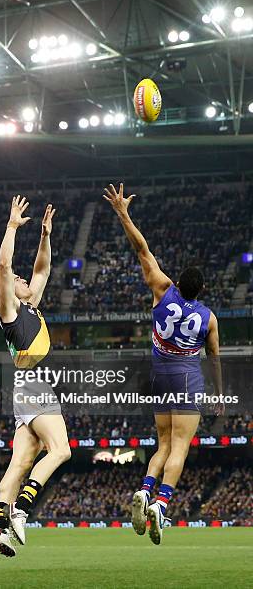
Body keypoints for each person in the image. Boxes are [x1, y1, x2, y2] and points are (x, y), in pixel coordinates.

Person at [103, 183, 222, 545]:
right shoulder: (209, 317)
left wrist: (123, 212)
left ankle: (145, 489)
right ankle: (161, 504)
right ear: (200, 290)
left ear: (178, 283)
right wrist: (218, 393)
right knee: (180, 448)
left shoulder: (162, 289)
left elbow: (142, 249)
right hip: (187, 379)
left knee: (162, 445)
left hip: (160, 378)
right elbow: (215, 359)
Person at [0, 196, 71, 557]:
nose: (22, 279)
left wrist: (45, 235)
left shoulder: (29, 305)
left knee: (20, 462)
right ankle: (22, 507)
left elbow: (42, 270)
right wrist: (12, 226)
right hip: (34, 385)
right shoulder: (9, 310)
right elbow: (5, 267)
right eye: (16, 280)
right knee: (61, 450)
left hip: (26, 390)